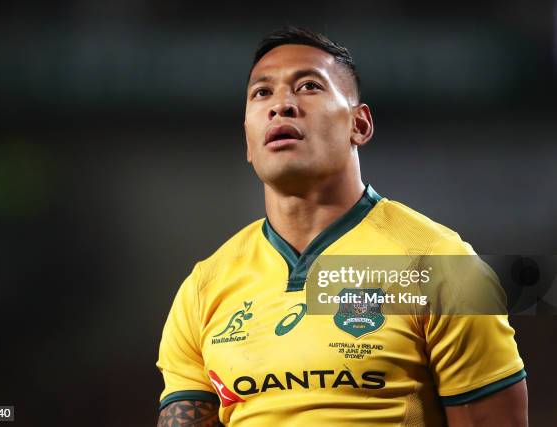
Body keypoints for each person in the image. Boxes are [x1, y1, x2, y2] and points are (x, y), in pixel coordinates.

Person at [156, 27, 528, 426]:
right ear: (248, 142)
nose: (281, 105)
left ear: (360, 125)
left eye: (309, 86)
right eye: (261, 93)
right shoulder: (203, 288)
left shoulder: (441, 265)